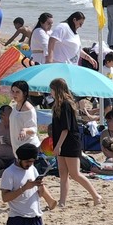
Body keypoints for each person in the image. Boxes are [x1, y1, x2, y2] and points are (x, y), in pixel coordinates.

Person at [47, 79, 101, 209]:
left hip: (70, 142)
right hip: (61, 141)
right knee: (63, 173)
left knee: (75, 173)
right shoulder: (57, 105)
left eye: (52, 89)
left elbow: (66, 129)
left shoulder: (66, 105)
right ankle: (62, 201)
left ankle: (96, 195)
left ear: (57, 89)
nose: (50, 92)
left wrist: (58, 145)